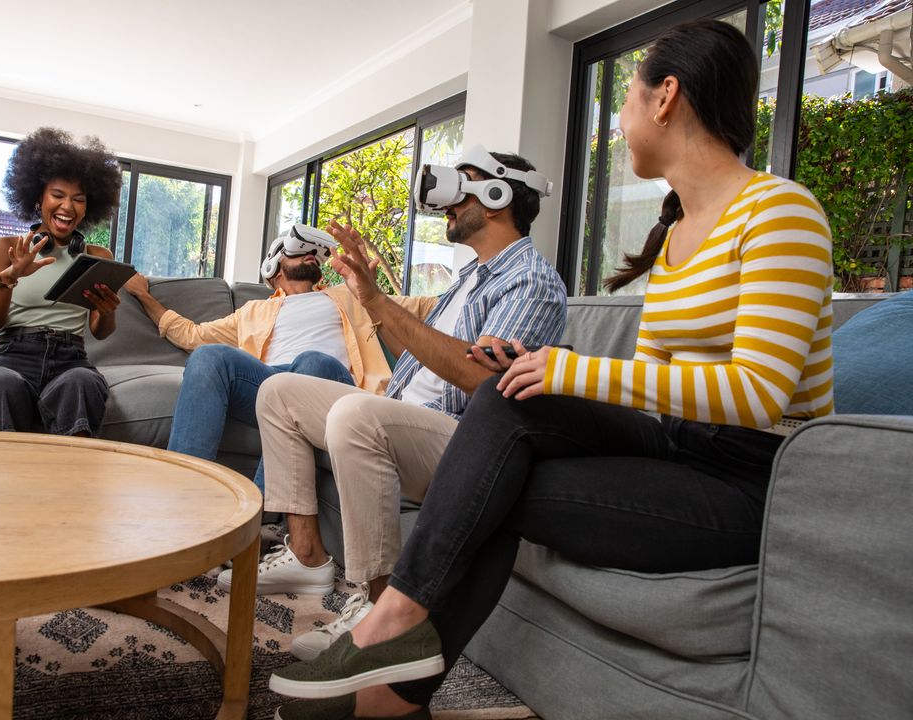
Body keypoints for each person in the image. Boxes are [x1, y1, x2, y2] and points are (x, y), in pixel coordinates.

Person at [267, 19, 835, 719]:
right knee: (508, 400)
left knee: (503, 465)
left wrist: (569, 371)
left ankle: (391, 653)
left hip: (747, 480)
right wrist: (539, 373)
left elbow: (758, 394)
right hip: (675, 447)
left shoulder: (782, 213)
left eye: (624, 103)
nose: (620, 124)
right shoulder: (679, 234)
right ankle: (397, 651)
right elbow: (653, 391)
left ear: (666, 98)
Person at [217, 148, 568, 664]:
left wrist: (377, 303)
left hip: (468, 443)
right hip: (412, 420)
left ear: (496, 197)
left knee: (355, 415)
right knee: (279, 392)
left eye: (461, 186)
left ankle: (379, 606)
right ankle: (307, 554)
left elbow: (481, 381)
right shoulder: (469, 278)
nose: (446, 204)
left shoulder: (531, 281)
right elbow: (425, 359)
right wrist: (368, 292)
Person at [124, 224, 437, 491]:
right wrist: (143, 294)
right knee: (209, 356)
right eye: (298, 251)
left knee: (311, 361)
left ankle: (260, 524)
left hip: (332, 386)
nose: (310, 256)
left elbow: (428, 307)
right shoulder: (252, 311)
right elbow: (191, 335)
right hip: (270, 387)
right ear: (271, 267)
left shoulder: (348, 295)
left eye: (314, 253)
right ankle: (184, 502)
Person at [0, 127, 123, 437]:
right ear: (38, 198)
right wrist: (8, 280)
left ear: (87, 208)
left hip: (71, 358)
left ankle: (67, 481)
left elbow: (101, 331)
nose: (68, 206)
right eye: (58, 195)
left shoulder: (97, 255)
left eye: (78, 200)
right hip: (12, 354)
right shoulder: (5, 248)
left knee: (82, 384)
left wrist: (107, 311)